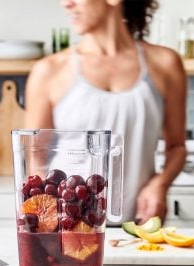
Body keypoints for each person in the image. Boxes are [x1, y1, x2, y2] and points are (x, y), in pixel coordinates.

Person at [25, 0, 186, 224]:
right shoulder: (50, 70)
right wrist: (47, 219)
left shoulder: (165, 64)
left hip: (138, 226)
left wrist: (159, 184)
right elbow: (35, 155)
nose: (66, 4)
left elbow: (176, 146)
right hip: (67, 229)